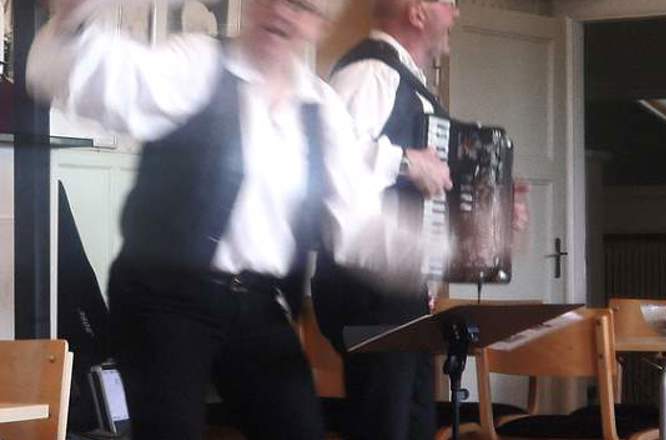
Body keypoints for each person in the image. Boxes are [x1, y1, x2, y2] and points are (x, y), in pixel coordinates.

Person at [27, 0, 423, 439]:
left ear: (320, 24)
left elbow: (359, 223)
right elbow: (117, 81)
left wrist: (449, 250)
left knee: (298, 428)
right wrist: (76, 20)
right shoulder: (199, 64)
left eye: (301, 6)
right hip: (165, 297)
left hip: (257, 302)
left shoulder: (319, 109)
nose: (283, 12)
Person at [313, 0, 527, 438]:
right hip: (368, 291)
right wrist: (407, 163)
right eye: (449, 3)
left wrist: (492, 219)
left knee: (411, 427)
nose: (457, 14)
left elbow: (425, 195)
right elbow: (329, 162)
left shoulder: (405, 81)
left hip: (399, 294)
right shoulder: (371, 74)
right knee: (385, 429)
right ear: (416, 11)